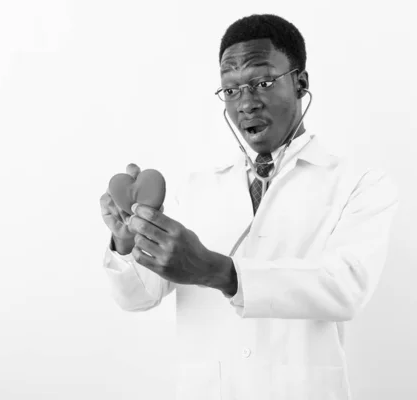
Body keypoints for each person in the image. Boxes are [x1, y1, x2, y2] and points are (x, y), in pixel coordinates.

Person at [99, 14, 398, 400]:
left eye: (262, 82)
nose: (246, 102)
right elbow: (138, 297)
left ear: (300, 83)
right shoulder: (197, 187)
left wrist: (222, 272)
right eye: (230, 89)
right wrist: (125, 243)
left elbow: (345, 287)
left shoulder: (359, 183)